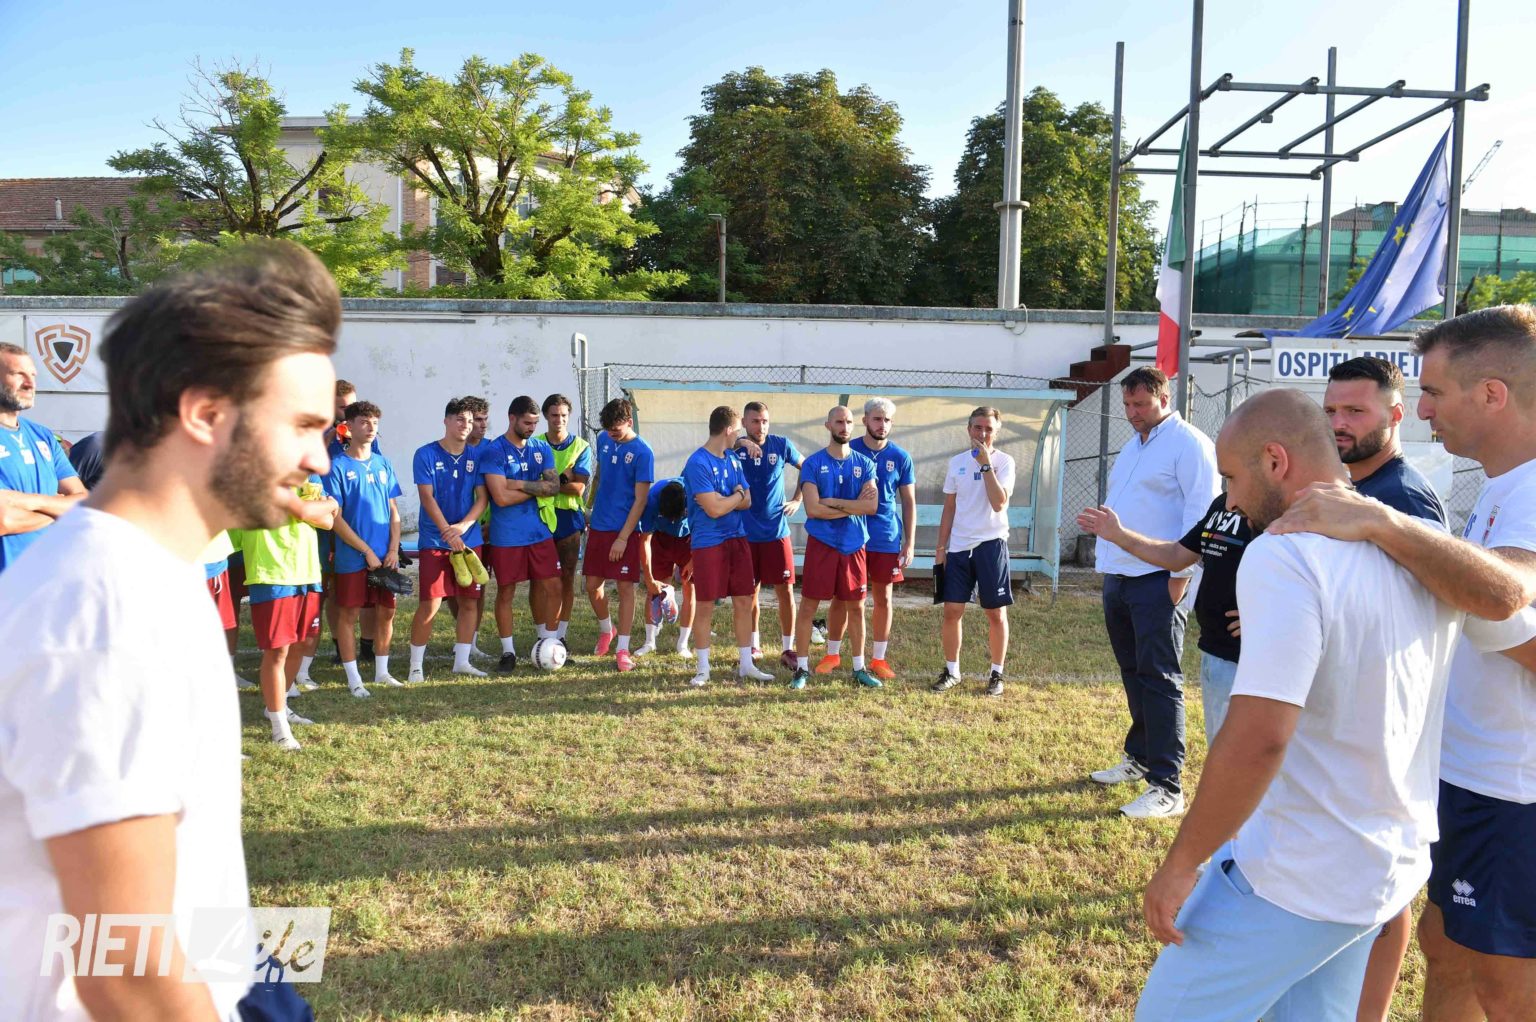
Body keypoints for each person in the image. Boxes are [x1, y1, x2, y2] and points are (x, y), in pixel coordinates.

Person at [0, 241, 336, 1021]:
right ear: (206, 413)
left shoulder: (150, 572)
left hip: (227, 968)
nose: (320, 459)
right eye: (303, 425)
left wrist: (261, 979)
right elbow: (124, 966)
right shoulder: (104, 615)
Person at [1136, 388, 1536, 1022]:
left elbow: (1261, 735)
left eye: (1231, 479)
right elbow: (1506, 618)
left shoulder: (1283, 554)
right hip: (1388, 865)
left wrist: (1180, 863)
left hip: (1298, 874)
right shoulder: (1427, 549)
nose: (1230, 502)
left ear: (1275, 461)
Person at [1271, 306, 1536, 1020]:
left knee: (1506, 987)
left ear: (1492, 394)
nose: (1422, 411)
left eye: (1435, 392)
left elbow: (1504, 594)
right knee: (1446, 951)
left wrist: (1381, 524)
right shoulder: (1503, 485)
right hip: (1469, 774)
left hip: (1515, 789)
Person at [1089, 367, 1219, 819]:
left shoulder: (1190, 444)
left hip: (1159, 579)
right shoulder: (1134, 445)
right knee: (1134, 672)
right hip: (1120, 576)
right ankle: (1140, 757)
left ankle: (1167, 784)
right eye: (1127, 405)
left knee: (1161, 679)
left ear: (1164, 398)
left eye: (1141, 404)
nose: (1132, 413)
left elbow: (1201, 515)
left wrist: (1180, 577)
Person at [236, 481, 339, 749]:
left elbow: (327, 523)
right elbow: (306, 512)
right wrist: (331, 503)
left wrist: (318, 510)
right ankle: (279, 727)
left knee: (301, 643)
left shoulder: (305, 480)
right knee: (277, 651)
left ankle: (277, 707)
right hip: (272, 574)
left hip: (307, 572)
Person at [682, 405, 775, 687]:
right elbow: (713, 509)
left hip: (737, 538)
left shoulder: (733, 459)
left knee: (745, 600)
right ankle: (703, 669)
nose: (740, 436)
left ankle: (746, 665)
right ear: (728, 430)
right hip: (709, 542)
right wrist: (735, 496)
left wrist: (729, 499)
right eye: (738, 431)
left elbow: (748, 500)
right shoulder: (697, 462)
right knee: (705, 605)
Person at [789, 405, 880, 691]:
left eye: (849, 422)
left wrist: (834, 502)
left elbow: (871, 506)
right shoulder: (813, 464)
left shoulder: (865, 464)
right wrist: (852, 506)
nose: (844, 427)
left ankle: (859, 668)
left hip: (854, 544)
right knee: (808, 606)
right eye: (839, 422)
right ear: (828, 425)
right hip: (823, 544)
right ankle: (802, 669)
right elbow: (813, 510)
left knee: (856, 607)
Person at [931, 406, 1017, 698]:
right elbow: (950, 507)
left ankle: (996, 673)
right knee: (952, 610)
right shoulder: (956, 463)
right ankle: (952, 671)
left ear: (996, 432)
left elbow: (998, 503)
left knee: (995, 612)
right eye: (978, 427)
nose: (983, 433)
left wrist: (986, 465)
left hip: (991, 544)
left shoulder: (1005, 462)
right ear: (969, 429)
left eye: (989, 429)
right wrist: (941, 548)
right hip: (958, 547)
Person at [324, 399, 404, 695]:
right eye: (364, 422)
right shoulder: (337, 467)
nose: (371, 428)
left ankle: (382, 673)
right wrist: (366, 551)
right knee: (348, 615)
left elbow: (394, 511)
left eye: (375, 423)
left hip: (386, 556)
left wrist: (393, 549)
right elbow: (335, 519)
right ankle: (354, 679)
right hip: (352, 557)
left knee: (386, 613)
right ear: (348, 427)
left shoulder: (384, 463)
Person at [408, 397, 490, 682]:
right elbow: (426, 497)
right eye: (459, 420)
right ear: (446, 421)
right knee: (430, 603)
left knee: (469, 601)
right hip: (435, 539)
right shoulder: (425, 454)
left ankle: (462, 661)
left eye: (469, 420)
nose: (466, 425)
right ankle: (415, 666)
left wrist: (464, 526)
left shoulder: (476, 456)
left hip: (468, 538)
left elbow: (482, 498)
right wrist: (447, 531)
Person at [481, 395, 562, 671]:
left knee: (553, 586)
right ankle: (508, 652)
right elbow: (500, 498)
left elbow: (553, 487)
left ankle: (548, 642)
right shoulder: (494, 451)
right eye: (527, 423)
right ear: (512, 418)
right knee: (506, 592)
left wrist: (516, 483)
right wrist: (535, 488)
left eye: (535, 423)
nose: (532, 428)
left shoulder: (540, 448)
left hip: (539, 532)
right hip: (507, 536)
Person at [1325, 355, 1447, 522]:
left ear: (1395, 415)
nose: (1337, 424)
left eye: (1355, 411)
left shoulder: (1400, 498)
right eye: (1330, 411)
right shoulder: (1374, 487)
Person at [0, 342, 87, 573]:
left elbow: (83, 502)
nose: (30, 383)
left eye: (32, 375)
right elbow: (4, 520)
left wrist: (34, 502)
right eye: (18, 374)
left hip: (46, 580)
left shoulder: (43, 436)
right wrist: (58, 510)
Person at [845, 397, 916, 680]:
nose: (882, 425)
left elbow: (908, 501)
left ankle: (878, 659)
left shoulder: (900, 457)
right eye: (876, 419)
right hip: (852, 534)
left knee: (883, 598)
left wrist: (909, 542)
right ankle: (835, 654)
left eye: (887, 420)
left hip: (886, 537)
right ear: (864, 420)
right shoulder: (849, 450)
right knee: (847, 598)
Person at [583, 398, 654, 670]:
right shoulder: (603, 439)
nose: (612, 434)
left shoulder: (643, 452)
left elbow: (640, 500)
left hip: (625, 529)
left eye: (617, 429)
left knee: (625, 589)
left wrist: (623, 538)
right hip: (599, 525)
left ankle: (622, 649)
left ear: (629, 422)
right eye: (608, 429)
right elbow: (599, 475)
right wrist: (589, 508)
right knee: (592, 585)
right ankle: (607, 630)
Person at [735, 401, 804, 669]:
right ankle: (754, 645)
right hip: (746, 533)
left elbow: (807, 467)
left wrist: (797, 499)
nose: (761, 426)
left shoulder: (781, 444)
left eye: (764, 421)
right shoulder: (735, 447)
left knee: (785, 591)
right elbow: (719, 447)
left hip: (776, 532)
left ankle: (788, 648)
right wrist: (741, 443)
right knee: (750, 592)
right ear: (744, 422)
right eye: (755, 421)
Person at [444, 394, 494, 659]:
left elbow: (494, 492)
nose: (482, 425)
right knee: (454, 587)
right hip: (453, 529)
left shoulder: (491, 449)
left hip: (484, 528)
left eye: (485, 419)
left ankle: (471, 641)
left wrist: (489, 522)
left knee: (478, 584)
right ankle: (463, 633)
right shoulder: (448, 449)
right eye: (478, 420)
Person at [540, 393, 592, 646]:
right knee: (541, 578)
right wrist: (564, 478)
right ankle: (542, 634)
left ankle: (561, 634)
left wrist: (548, 484)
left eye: (563, 415)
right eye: (554, 415)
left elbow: (578, 489)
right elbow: (531, 483)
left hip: (569, 517)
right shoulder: (535, 444)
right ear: (545, 416)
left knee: (567, 576)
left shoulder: (581, 446)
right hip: (540, 515)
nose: (559, 420)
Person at [635, 477, 695, 657]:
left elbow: (705, 528)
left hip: (688, 539)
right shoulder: (651, 500)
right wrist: (649, 578)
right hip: (661, 538)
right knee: (654, 591)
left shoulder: (695, 494)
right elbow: (645, 540)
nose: (672, 520)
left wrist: (694, 559)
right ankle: (649, 642)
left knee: (690, 588)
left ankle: (683, 644)